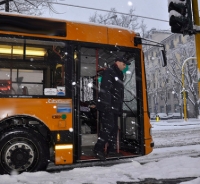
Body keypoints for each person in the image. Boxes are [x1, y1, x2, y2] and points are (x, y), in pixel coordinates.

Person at [94, 56, 131, 160]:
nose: (124, 67)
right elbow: (106, 90)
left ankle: (111, 151)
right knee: (108, 128)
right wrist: (108, 106)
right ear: (117, 62)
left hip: (114, 106)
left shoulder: (118, 73)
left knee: (114, 129)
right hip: (108, 107)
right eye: (124, 64)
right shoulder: (109, 72)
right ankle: (98, 149)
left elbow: (117, 92)